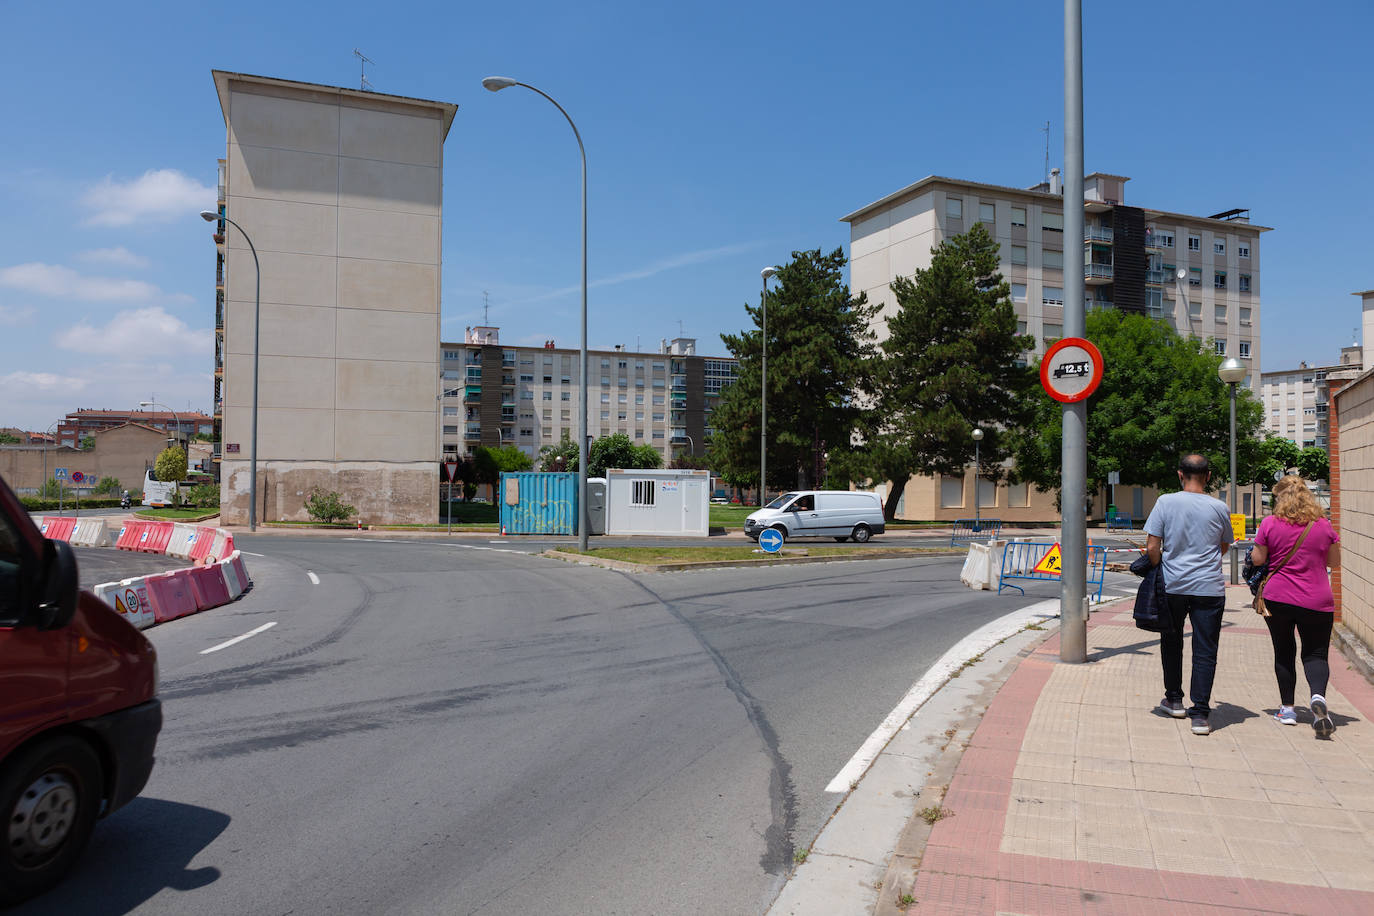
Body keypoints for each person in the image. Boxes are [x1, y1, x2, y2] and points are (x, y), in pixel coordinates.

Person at [1144, 454, 1234, 736]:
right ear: (1208, 477)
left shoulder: (1165, 502)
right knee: (1205, 650)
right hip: (1209, 588)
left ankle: (1174, 700)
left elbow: (1152, 546)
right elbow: (1224, 545)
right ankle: (1201, 715)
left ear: (1180, 474)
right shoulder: (1219, 507)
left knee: (1171, 642)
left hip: (1173, 585)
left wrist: (1163, 567)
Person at [1250, 475, 1341, 736]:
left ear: (1280, 498)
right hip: (1317, 599)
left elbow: (1258, 559)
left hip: (1278, 599)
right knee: (1315, 653)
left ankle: (1288, 709)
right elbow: (1334, 563)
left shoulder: (1269, 523)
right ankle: (1318, 698)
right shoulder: (1323, 525)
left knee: (1284, 650)